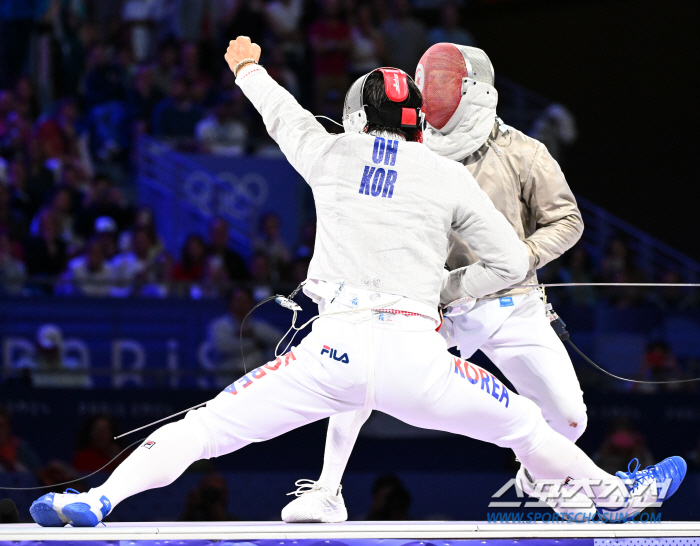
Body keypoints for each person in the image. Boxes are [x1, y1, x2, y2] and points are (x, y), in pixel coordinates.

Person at [29, 36, 685, 528]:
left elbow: (280, 113)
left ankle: (97, 498)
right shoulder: (448, 176)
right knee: (527, 427)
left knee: (205, 427)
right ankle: (618, 497)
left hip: (332, 353)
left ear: (361, 115)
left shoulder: (331, 152)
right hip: (419, 359)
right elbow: (513, 264)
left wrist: (246, 66)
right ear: (416, 121)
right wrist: (446, 292)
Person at [278, 43, 595, 522]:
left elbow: (567, 220)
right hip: (436, 302)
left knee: (570, 418)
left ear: (475, 92)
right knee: (359, 370)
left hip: (512, 301)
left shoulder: (525, 153)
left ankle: (539, 473)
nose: (435, 94)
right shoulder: (411, 148)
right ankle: (326, 488)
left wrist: (522, 256)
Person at [205, 287, 282, 387]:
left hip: (255, 382)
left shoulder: (258, 326)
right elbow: (222, 347)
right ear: (230, 303)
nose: (242, 305)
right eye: (238, 301)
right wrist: (255, 344)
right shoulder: (218, 326)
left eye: (246, 301)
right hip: (226, 381)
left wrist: (252, 333)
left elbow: (279, 339)